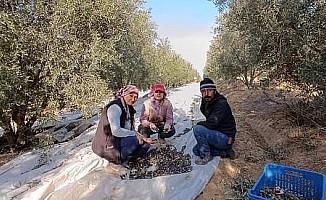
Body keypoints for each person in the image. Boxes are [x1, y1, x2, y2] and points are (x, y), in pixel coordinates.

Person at [92, 85, 155, 165]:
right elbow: (116, 131)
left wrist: (144, 138)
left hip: (119, 140)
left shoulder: (128, 108)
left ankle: (132, 160)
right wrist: (136, 136)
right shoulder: (115, 107)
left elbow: (130, 129)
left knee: (145, 144)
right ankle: (119, 159)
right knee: (135, 140)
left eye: (135, 97)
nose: (133, 99)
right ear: (124, 94)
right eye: (130, 96)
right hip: (107, 145)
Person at [193, 78, 237, 165]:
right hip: (217, 132)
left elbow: (211, 123)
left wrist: (199, 124)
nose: (206, 94)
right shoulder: (207, 101)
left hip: (226, 137)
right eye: (203, 91)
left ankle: (207, 155)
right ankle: (223, 152)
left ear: (215, 91)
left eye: (209, 90)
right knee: (196, 150)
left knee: (197, 129)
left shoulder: (221, 103)